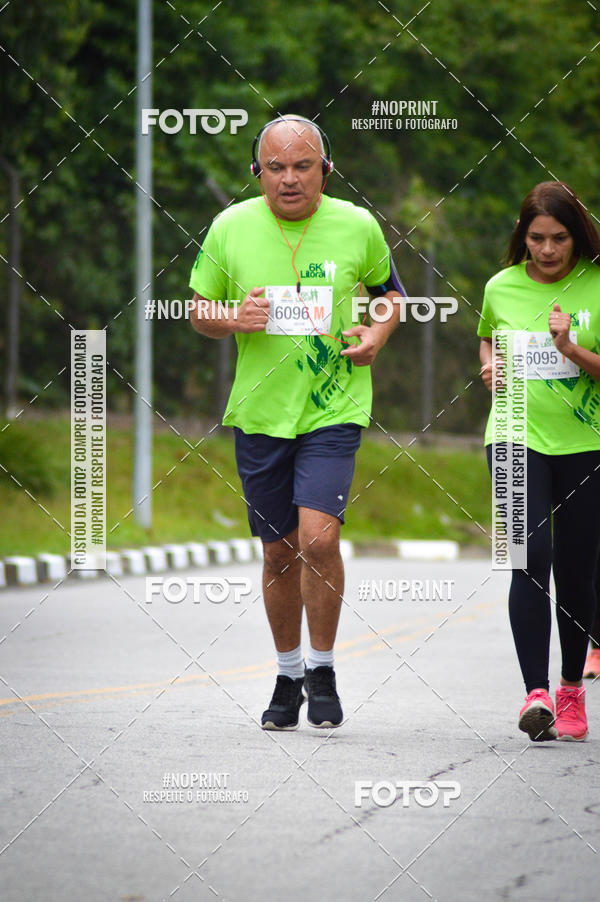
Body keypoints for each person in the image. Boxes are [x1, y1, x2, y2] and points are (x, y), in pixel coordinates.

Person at [189, 115, 405, 730]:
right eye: (275, 167)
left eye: (301, 166)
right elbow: (199, 310)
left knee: (318, 539)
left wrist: (378, 333)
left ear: (325, 170)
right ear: (257, 172)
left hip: (333, 407)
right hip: (259, 412)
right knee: (279, 552)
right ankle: (287, 676)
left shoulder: (357, 224)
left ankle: (324, 666)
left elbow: (390, 293)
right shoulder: (229, 227)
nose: (288, 179)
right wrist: (235, 318)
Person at [478, 180, 600, 741]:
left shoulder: (597, 285)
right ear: (521, 238)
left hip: (586, 443)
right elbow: (487, 340)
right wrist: (489, 367)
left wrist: (572, 349)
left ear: (576, 237)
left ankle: (572, 686)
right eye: (536, 239)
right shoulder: (500, 286)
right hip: (510, 436)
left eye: (558, 239)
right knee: (527, 555)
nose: (547, 250)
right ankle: (536, 694)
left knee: (576, 568)